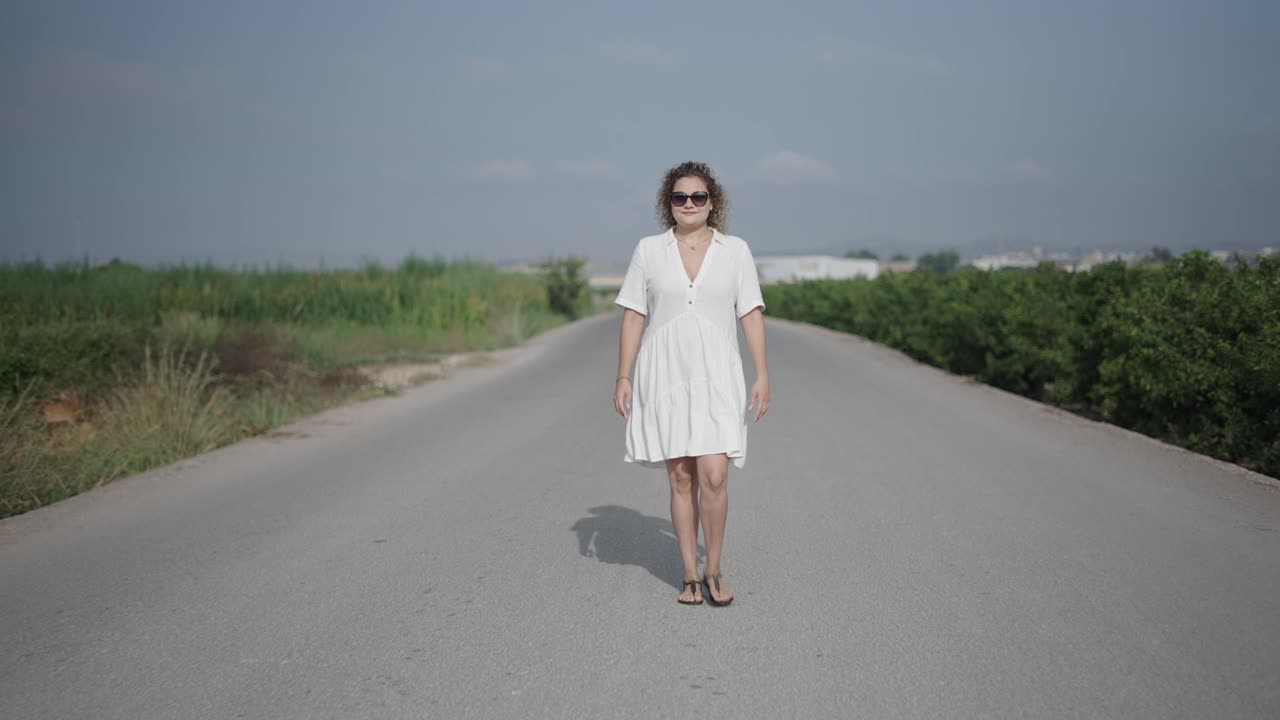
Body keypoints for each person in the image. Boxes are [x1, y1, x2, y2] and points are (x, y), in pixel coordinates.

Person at [612, 161, 771, 607]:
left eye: (697, 197)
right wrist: (624, 375)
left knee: (715, 475)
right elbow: (633, 314)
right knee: (682, 478)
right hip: (665, 373)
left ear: (712, 201)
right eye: (679, 197)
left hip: (718, 372)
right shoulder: (648, 250)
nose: (689, 204)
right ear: (669, 203)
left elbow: (751, 314)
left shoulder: (735, 251)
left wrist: (762, 374)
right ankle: (689, 575)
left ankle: (714, 568)